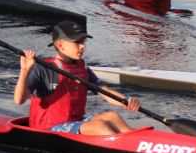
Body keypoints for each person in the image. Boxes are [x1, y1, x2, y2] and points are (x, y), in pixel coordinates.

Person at [13, 20, 141, 135]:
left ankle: (138, 142)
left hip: (75, 122)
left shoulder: (82, 67)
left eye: (83, 41)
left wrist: (126, 101)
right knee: (100, 126)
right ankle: (124, 150)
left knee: (112, 116)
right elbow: (19, 100)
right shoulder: (42, 68)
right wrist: (25, 70)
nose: (83, 46)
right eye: (77, 42)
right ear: (60, 45)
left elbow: (104, 91)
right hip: (48, 129)